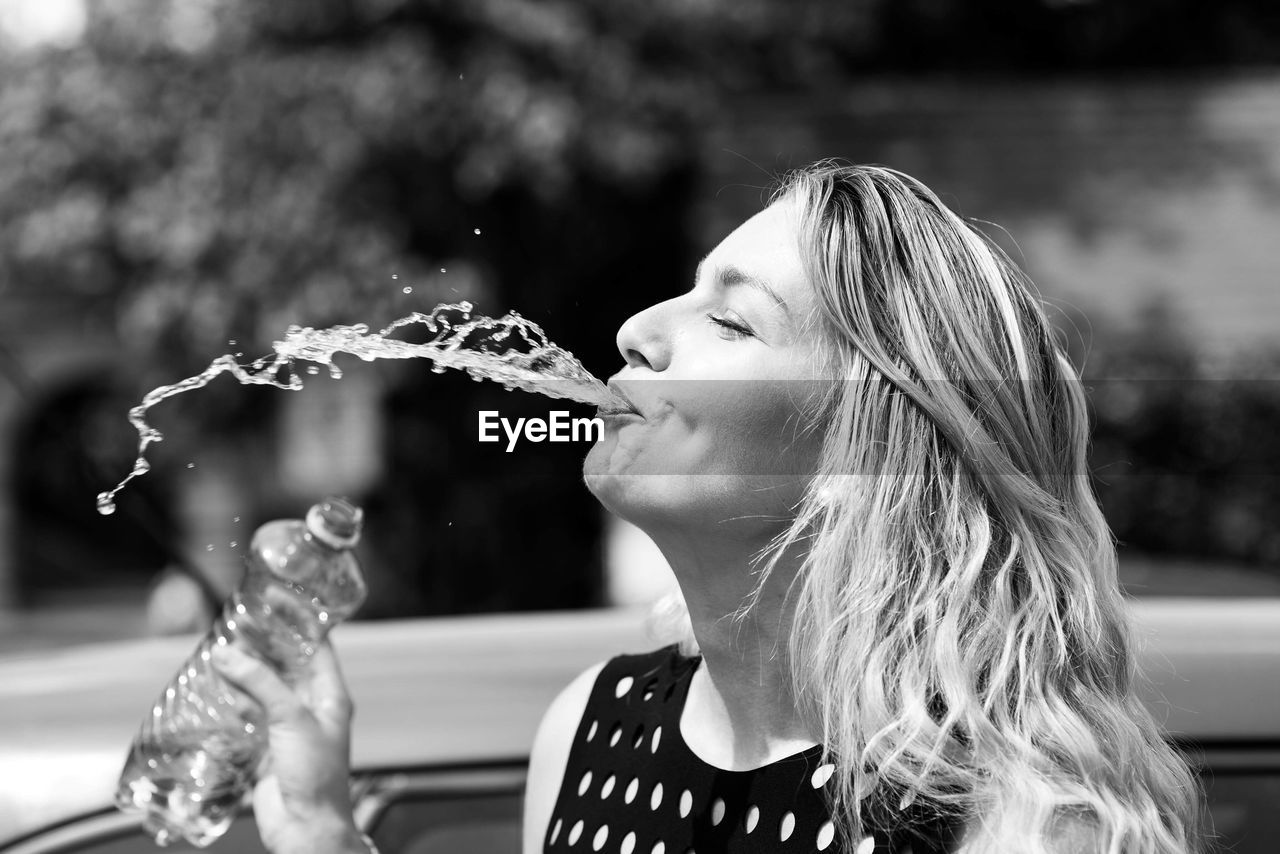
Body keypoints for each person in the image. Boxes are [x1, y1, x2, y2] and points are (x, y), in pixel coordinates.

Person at [212, 162, 1207, 854]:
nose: (636, 332)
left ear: (856, 456)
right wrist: (318, 825)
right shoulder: (590, 730)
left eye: (730, 318)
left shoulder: (1007, 816)